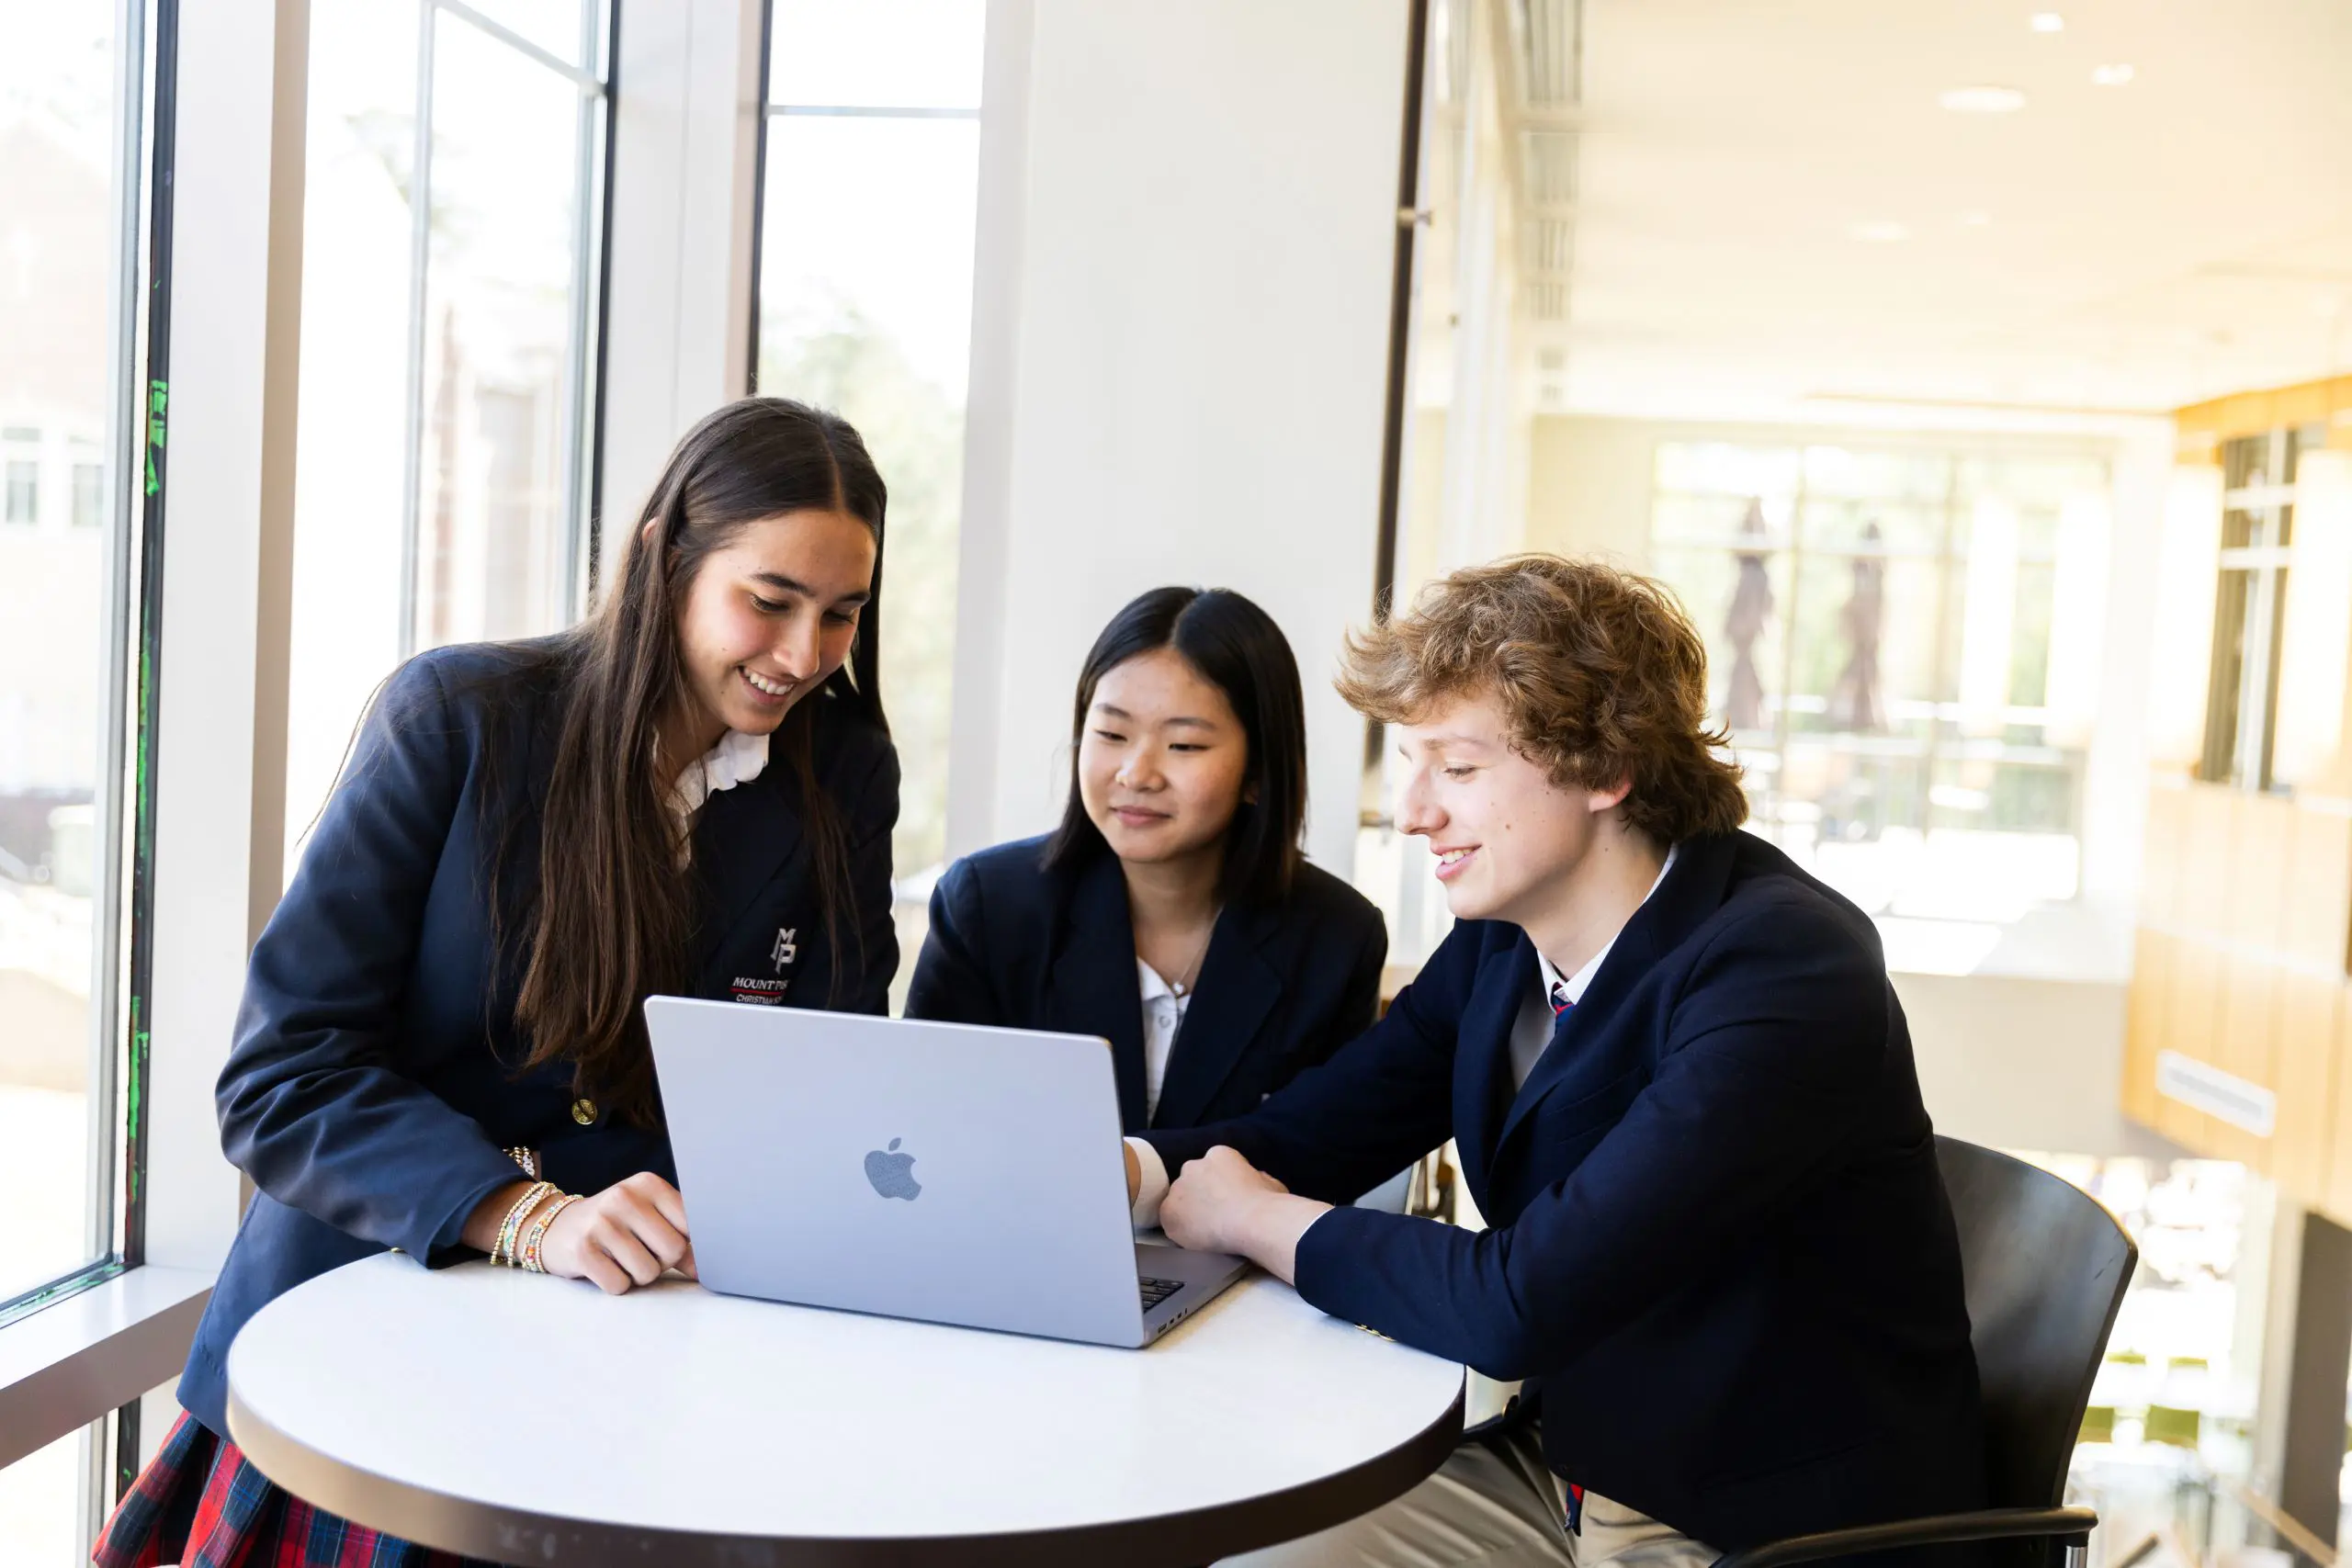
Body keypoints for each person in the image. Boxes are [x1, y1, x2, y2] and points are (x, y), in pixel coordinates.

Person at [96, 398, 901, 1568]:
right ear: (662, 557)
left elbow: (829, 1084)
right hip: (364, 1357)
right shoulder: (460, 720)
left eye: (841, 616)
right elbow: (282, 1076)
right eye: (768, 602)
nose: (801, 656)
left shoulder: (840, 776)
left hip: (636, 1377)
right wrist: (530, 1215)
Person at [1125, 556, 1986, 1567]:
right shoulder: (1504, 937)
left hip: (1764, 1532)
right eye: (1411, 765)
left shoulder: (1783, 969)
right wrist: (1128, 1172)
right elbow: (1312, 1131)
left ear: (1602, 768)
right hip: (1571, 1475)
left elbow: (1516, 1303)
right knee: (1232, 1552)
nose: (1413, 812)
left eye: (1456, 768)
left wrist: (1255, 1217)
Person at [907, 586, 1386, 1135]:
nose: (1136, 774)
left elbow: (1328, 1152)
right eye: (1111, 733)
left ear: (1259, 772)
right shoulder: (987, 907)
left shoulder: (1337, 938)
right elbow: (922, 1124)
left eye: (1183, 746)